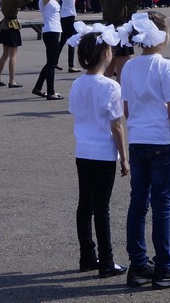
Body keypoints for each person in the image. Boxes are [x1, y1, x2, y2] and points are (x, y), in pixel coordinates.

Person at [117, 12, 170, 290]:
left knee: (138, 202)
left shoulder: (128, 67)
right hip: (162, 141)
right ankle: (164, 265)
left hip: (137, 139)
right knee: (162, 205)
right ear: (161, 36)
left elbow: (126, 109)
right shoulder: (167, 67)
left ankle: (138, 264)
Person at [65, 22, 128, 279]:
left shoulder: (78, 83)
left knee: (85, 205)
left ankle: (87, 256)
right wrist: (124, 157)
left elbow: (76, 112)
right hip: (103, 152)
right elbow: (117, 126)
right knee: (101, 207)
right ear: (105, 54)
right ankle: (107, 261)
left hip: (83, 149)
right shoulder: (111, 86)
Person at [32, 0, 85, 100]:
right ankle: (51, 92)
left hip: (55, 31)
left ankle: (38, 87)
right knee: (51, 63)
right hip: (50, 32)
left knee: (50, 62)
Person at [0, 0, 39, 88]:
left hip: (5, 26)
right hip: (11, 26)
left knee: (5, 54)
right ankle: (12, 81)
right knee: (13, 54)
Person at [57, 0, 91, 74]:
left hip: (64, 16)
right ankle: (71, 65)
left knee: (63, 41)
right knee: (72, 40)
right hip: (68, 17)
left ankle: (54, 61)